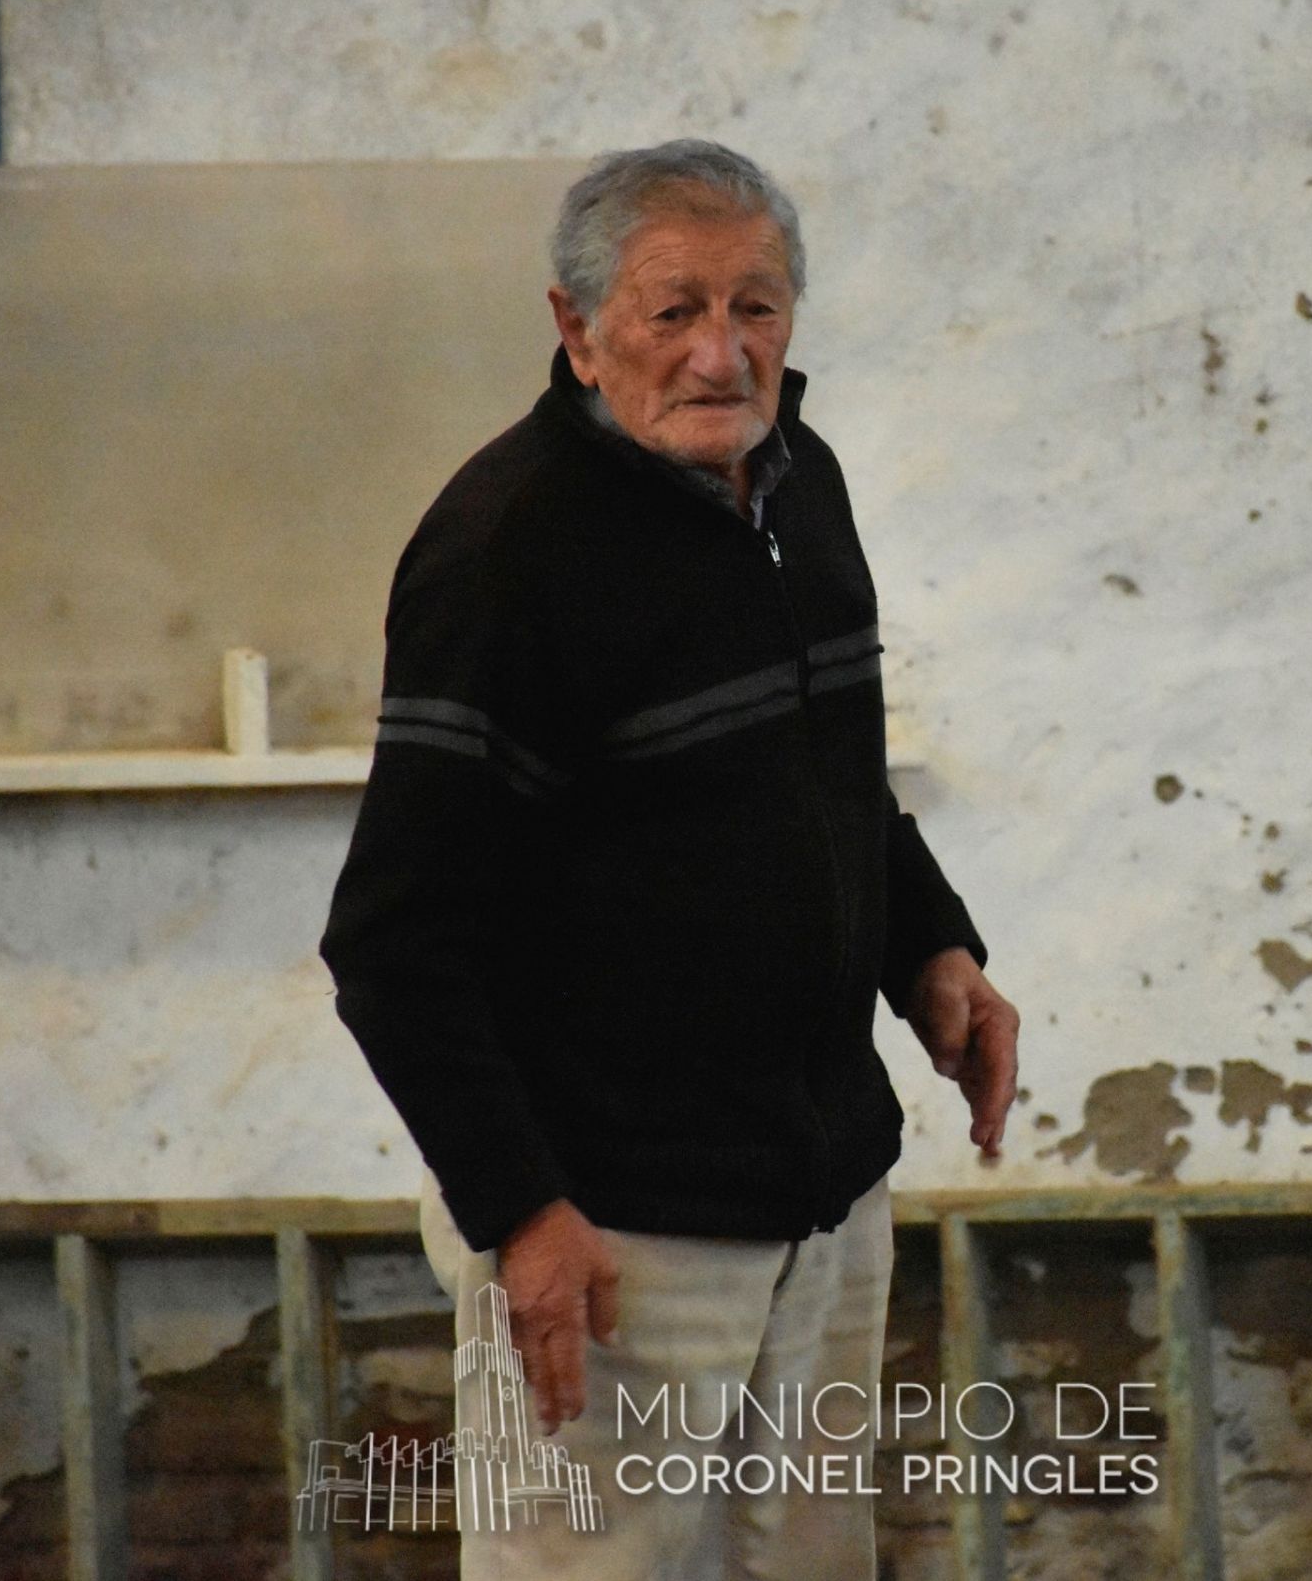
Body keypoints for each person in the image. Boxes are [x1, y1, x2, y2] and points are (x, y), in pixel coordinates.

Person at [318, 138, 1019, 1580]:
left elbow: (832, 784)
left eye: (756, 306)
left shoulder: (802, 490)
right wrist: (522, 1215)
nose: (721, 352)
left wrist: (933, 952)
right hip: (612, 1236)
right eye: (673, 310)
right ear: (577, 330)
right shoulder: (503, 549)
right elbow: (393, 941)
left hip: (821, 1203)